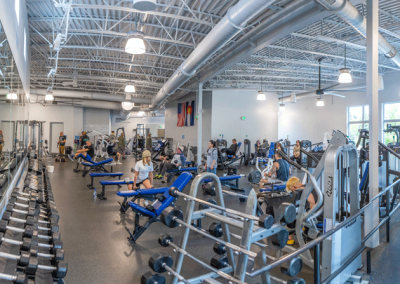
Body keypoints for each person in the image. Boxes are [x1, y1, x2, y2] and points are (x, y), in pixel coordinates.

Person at [285, 176, 315, 245]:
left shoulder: (300, 190)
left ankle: (290, 238)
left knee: (292, 212)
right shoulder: (308, 186)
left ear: (294, 186)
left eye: (291, 189)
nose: (292, 191)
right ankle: (302, 227)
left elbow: (312, 205)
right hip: (322, 211)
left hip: (316, 214)